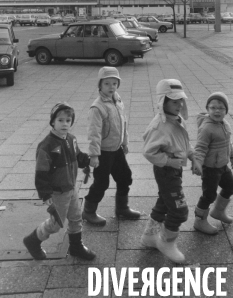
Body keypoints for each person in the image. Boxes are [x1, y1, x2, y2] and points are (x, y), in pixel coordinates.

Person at [23, 102, 95, 261]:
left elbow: (77, 156)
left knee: (76, 218)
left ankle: (76, 247)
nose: (65, 124)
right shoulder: (46, 146)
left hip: (71, 188)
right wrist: (45, 192)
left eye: (68, 120)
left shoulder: (71, 139)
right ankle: (33, 240)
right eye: (60, 120)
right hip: (58, 192)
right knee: (56, 224)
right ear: (52, 122)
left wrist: (88, 160)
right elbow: (41, 171)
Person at [141, 79, 197, 263]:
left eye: (181, 100)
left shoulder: (176, 119)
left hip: (174, 169)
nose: (179, 104)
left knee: (165, 202)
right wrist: (170, 162)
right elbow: (149, 152)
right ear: (162, 102)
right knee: (179, 210)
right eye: (174, 101)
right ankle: (166, 242)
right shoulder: (159, 126)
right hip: (165, 171)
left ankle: (150, 236)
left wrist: (192, 156)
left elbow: (183, 143)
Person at [82, 66, 140, 225]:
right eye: (107, 83)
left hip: (117, 149)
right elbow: (94, 133)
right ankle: (88, 211)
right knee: (101, 183)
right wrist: (94, 155)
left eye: (114, 83)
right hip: (103, 152)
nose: (111, 87)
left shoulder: (118, 100)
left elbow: (123, 123)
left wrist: (125, 142)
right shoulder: (97, 107)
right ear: (99, 85)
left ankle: (122, 208)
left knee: (125, 177)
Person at [192, 91, 233, 234]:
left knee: (230, 187)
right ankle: (199, 221)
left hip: (223, 165)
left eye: (221, 108)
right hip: (210, 168)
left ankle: (218, 211)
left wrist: (232, 157)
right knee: (209, 195)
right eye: (213, 107)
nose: (217, 111)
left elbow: (228, 142)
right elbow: (200, 147)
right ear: (207, 109)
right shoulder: (206, 128)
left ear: (226, 111)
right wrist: (197, 163)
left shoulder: (225, 124)